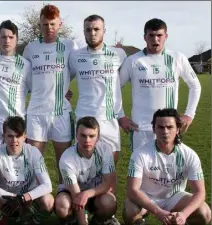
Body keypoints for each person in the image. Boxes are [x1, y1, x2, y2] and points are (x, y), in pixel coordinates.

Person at [119, 18, 201, 151]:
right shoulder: (133, 61)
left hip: (168, 127)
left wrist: (189, 114)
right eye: (151, 35)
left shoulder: (177, 58)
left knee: (169, 169)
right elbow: (115, 88)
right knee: (140, 170)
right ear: (145, 37)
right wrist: (120, 116)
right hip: (141, 129)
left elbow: (195, 85)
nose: (155, 39)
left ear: (166, 36)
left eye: (159, 35)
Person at [22, 4, 78, 185]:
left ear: (60, 24)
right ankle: (34, 199)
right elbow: (25, 77)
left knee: (63, 161)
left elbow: (76, 70)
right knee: (33, 161)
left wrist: (63, 87)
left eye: (52, 24)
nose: (49, 28)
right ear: (40, 25)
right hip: (36, 112)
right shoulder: (30, 48)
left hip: (61, 112)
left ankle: (64, 195)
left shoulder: (69, 45)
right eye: (45, 24)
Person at [123, 108, 210, 225]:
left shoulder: (189, 155)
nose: (165, 131)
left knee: (205, 212)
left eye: (170, 127)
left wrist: (184, 214)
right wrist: (158, 212)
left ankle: (179, 221)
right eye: (160, 127)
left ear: (177, 129)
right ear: (153, 129)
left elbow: (200, 192)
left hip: (175, 197)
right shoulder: (140, 154)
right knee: (130, 211)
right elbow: (132, 190)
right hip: (148, 197)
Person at [68, 14, 127, 164]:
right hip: (83, 119)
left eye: (96, 29)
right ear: (84, 32)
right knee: (83, 169)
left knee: (109, 170)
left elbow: (124, 79)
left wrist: (121, 114)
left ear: (104, 31)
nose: (92, 33)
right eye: (88, 30)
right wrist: (63, 91)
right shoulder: (75, 56)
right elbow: (63, 77)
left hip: (109, 121)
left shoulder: (118, 54)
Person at [0, 116, 53, 225]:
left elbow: (47, 185)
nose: (14, 140)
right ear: (4, 137)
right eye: (10, 136)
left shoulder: (33, 152)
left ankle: (32, 222)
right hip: (6, 200)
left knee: (48, 201)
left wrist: (23, 198)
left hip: (28, 199)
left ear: (24, 136)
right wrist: (13, 198)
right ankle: (3, 221)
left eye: (18, 136)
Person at [0, 20, 32, 155]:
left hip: (16, 118)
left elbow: (37, 90)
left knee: (16, 161)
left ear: (16, 39)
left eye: (11, 37)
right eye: (3, 37)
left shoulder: (25, 65)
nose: (7, 40)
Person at [55, 117, 120, 225]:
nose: (87, 140)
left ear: (98, 136)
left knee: (109, 202)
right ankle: (72, 220)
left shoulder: (105, 150)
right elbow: (77, 195)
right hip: (73, 194)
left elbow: (110, 183)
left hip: (94, 192)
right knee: (62, 205)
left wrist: (87, 194)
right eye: (83, 135)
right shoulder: (67, 159)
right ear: (76, 135)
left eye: (92, 136)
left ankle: (97, 221)